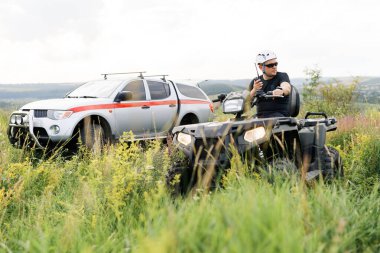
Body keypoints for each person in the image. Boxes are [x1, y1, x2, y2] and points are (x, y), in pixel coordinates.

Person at [249, 50, 292, 118]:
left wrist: (281, 91)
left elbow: (286, 87)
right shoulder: (256, 82)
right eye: (270, 65)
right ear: (260, 67)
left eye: (276, 64)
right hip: (260, 117)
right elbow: (247, 103)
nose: (274, 67)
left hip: (280, 117)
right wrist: (254, 90)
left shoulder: (282, 76)